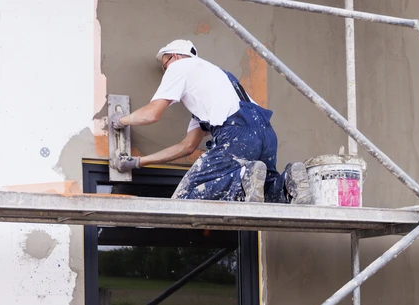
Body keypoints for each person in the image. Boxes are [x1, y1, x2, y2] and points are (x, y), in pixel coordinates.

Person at [109, 39, 311, 205]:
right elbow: (187, 146)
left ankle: (243, 177)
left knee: (183, 201)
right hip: (266, 133)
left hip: (237, 133)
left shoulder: (179, 67)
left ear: (176, 56)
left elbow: (152, 114)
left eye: (165, 64)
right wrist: (138, 162)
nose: (165, 70)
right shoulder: (215, 82)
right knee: (263, 192)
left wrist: (119, 120)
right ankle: (288, 180)